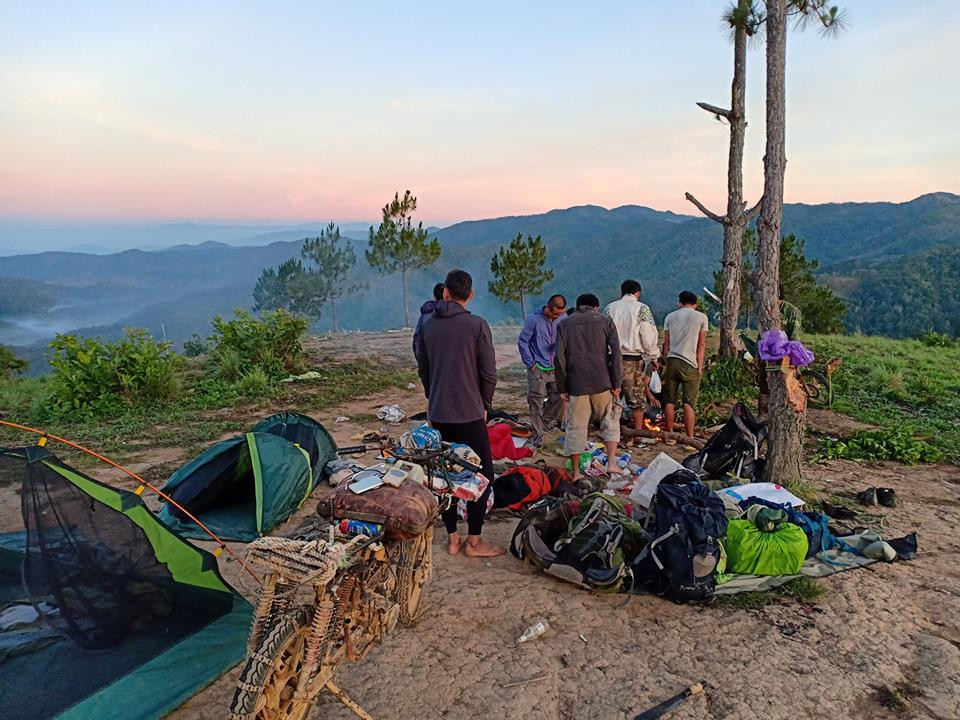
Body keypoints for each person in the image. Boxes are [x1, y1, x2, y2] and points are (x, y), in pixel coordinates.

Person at [417, 269, 503, 557]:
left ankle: (453, 537)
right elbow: (488, 373)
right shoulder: (477, 325)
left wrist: (433, 399)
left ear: (445, 293)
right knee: (481, 474)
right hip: (469, 413)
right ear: (470, 295)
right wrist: (485, 404)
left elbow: (424, 369)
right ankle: (474, 542)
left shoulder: (428, 326)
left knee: (444, 475)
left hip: (440, 412)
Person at [555, 293, 623, 482]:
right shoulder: (605, 320)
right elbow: (616, 353)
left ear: (577, 307)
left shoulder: (564, 324)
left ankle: (576, 473)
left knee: (575, 427)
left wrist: (563, 386)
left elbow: (559, 358)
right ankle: (611, 463)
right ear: (596, 307)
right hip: (602, 381)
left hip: (577, 384)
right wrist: (617, 382)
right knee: (610, 420)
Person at [604, 280, 660, 436]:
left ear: (621, 292)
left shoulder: (610, 308)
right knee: (636, 399)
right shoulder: (642, 308)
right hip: (631, 359)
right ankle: (636, 434)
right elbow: (648, 335)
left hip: (611, 358)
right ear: (638, 293)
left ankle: (611, 432)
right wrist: (654, 357)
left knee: (613, 396)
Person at [517, 294, 567, 447]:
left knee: (559, 398)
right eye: (555, 314)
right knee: (536, 400)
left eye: (560, 314)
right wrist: (530, 363)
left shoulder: (563, 318)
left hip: (555, 367)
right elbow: (523, 341)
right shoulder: (534, 320)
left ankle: (544, 421)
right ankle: (538, 432)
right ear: (548, 309)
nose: (557, 317)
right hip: (537, 367)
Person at [660, 290, 708, 442]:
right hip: (690, 363)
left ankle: (670, 435)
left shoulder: (670, 317)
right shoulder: (701, 317)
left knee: (669, 400)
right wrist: (699, 367)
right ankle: (690, 438)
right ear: (696, 304)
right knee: (689, 402)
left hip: (672, 361)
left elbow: (666, 343)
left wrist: (665, 362)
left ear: (679, 303)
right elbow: (701, 345)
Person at [412, 282, 445, 363]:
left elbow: (417, 339)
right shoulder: (454, 314)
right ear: (447, 296)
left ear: (434, 296)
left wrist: (422, 363)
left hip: (430, 363)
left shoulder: (425, 317)